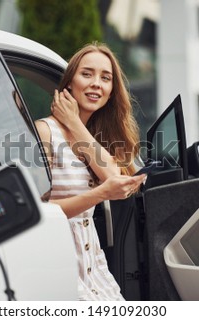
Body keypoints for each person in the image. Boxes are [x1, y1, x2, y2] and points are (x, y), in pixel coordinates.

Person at [35, 42, 146, 300]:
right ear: (69, 84)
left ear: (111, 92)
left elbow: (116, 180)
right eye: (87, 74)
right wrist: (97, 195)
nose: (97, 83)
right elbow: (39, 214)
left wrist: (75, 123)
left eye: (105, 78)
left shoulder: (94, 137)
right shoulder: (45, 132)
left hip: (95, 271)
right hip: (59, 270)